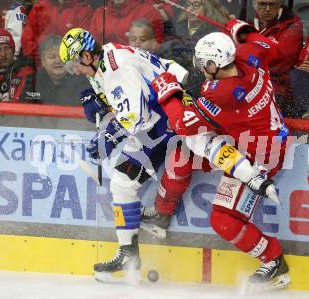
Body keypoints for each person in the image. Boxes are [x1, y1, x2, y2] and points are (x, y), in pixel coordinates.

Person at [59, 27, 281, 282]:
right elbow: (137, 99)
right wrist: (100, 104)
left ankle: (251, 176)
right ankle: (129, 252)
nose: (74, 69)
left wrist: (109, 136)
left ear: (87, 55)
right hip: (160, 112)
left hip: (166, 112)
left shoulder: (118, 72)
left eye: (75, 62)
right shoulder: (106, 57)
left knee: (200, 142)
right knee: (124, 181)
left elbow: (136, 119)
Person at [150, 20, 290, 289]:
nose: (201, 68)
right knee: (182, 154)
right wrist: (242, 30)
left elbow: (182, 124)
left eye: (204, 64)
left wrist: (167, 90)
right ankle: (161, 214)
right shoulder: (252, 53)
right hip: (257, 139)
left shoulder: (219, 94)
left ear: (213, 66)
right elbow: (274, 48)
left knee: (222, 220)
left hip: (259, 156)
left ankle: (274, 262)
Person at [250, 0, 303, 117]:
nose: (267, 9)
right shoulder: (246, 25)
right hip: (249, 85)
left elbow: (280, 63)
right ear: (254, 4)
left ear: (279, 4)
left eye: (272, 4)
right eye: (262, 4)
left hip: (278, 89)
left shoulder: (293, 25)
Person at [20, 35, 90, 105]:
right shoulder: (33, 80)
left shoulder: (82, 81)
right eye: (51, 57)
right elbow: (25, 109)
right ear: (43, 61)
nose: (57, 61)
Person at [21, 0, 92, 64]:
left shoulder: (83, 10)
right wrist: (45, 60)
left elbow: (83, 47)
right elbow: (27, 41)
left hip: (70, 71)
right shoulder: (40, 7)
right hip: (39, 67)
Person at [88, 0, 165, 46]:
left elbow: (156, 46)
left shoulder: (149, 12)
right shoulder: (99, 13)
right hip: (108, 67)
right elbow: (92, 46)